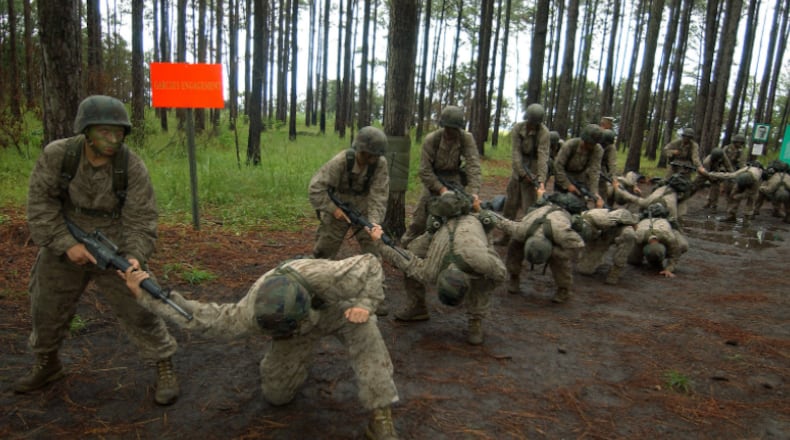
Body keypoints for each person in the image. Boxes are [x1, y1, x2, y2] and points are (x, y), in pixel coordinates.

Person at [122, 254, 400, 439]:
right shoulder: (250, 312)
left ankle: (381, 414)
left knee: (366, 331)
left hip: (339, 311)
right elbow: (202, 318)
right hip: (294, 332)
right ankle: (287, 361)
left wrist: (365, 304)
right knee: (277, 395)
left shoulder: (324, 275)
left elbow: (371, 264)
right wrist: (147, 298)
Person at [15, 95, 180, 405]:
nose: (113, 139)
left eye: (118, 132)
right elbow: (40, 205)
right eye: (105, 131)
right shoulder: (58, 155)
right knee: (45, 305)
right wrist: (66, 244)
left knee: (140, 306)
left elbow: (142, 218)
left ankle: (163, 362)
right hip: (66, 233)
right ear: (86, 131)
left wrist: (134, 256)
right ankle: (47, 363)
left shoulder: (131, 166)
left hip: (115, 241)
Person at [371, 191, 505, 345]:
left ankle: (476, 320)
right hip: (442, 229)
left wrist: (486, 237)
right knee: (413, 249)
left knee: (484, 280)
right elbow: (405, 258)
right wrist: (379, 241)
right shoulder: (431, 271)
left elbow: (500, 275)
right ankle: (417, 305)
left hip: (471, 223)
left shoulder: (481, 262)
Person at [400, 105, 481, 246]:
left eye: (454, 129)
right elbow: (424, 170)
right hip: (434, 179)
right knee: (420, 218)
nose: (451, 132)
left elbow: (473, 166)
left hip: (455, 179)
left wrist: (473, 193)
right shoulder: (432, 139)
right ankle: (405, 246)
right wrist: (441, 189)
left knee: (463, 213)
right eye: (448, 128)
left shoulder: (466, 139)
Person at [308, 126, 389, 260]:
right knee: (323, 252)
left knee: (373, 249)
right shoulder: (341, 161)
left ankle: (373, 271)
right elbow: (315, 189)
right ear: (363, 151)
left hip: (364, 207)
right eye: (373, 155)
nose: (375, 158)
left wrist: (374, 223)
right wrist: (334, 209)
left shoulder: (380, 164)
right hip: (339, 204)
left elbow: (379, 196)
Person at [496, 190, 587, 303]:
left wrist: (560, 253)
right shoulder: (521, 230)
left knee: (559, 258)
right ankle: (514, 276)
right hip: (537, 218)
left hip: (560, 216)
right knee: (515, 244)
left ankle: (564, 288)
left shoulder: (561, 232)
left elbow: (579, 244)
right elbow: (503, 223)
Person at [497, 103, 551, 246]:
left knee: (529, 209)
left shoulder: (544, 133)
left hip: (534, 170)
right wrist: (522, 173)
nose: (532, 126)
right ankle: (505, 236)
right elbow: (516, 154)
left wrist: (540, 180)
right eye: (530, 122)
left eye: (535, 124)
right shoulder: (518, 128)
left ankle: (528, 239)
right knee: (510, 204)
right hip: (518, 171)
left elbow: (543, 157)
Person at [575, 208, 639, 285]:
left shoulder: (605, 221)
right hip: (602, 232)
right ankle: (597, 259)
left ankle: (616, 270)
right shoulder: (582, 218)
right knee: (585, 270)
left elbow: (625, 217)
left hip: (619, 228)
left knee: (629, 236)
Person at [628, 203, 689, 278]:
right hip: (645, 228)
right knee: (633, 261)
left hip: (664, 227)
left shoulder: (668, 236)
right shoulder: (639, 236)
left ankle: (656, 258)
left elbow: (675, 252)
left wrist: (669, 269)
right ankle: (652, 258)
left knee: (682, 245)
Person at [553, 123, 605, 206]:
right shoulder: (570, 145)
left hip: (580, 179)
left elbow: (594, 171)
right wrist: (567, 185)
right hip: (563, 176)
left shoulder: (597, 150)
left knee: (578, 206)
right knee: (559, 204)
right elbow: (558, 166)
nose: (592, 146)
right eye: (590, 143)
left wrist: (594, 192)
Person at [699, 161, 764, 222]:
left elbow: (748, 193)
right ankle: (731, 216)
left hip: (754, 182)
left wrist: (738, 196)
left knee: (751, 199)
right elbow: (728, 175)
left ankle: (747, 219)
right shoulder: (743, 171)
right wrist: (710, 174)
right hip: (742, 179)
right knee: (733, 193)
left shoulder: (756, 182)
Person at [598, 128, 618, 207]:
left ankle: (604, 207)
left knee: (602, 185)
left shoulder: (611, 147)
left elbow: (612, 162)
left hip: (602, 166)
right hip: (589, 164)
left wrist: (614, 178)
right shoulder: (596, 141)